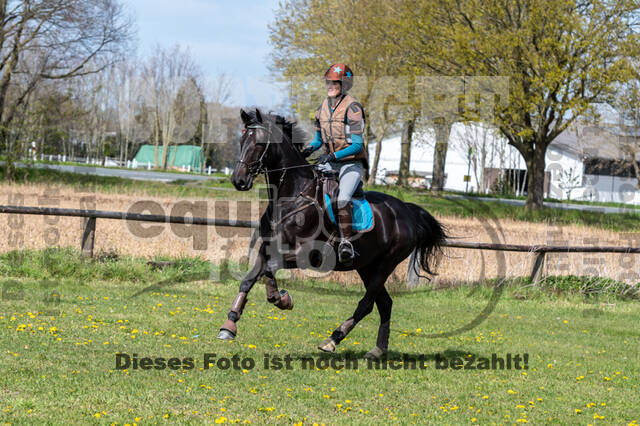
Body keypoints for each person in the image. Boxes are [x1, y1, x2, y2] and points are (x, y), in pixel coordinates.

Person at [301, 63, 369, 264]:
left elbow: (357, 145)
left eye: (334, 82)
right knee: (308, 191)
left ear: (344, 84)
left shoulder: (353, 108)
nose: (330, 85)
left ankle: (346, 242)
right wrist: (306, 150)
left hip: (350, 164)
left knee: (342, 198)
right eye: (328, 82)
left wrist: (333, 157)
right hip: (330, 163)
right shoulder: (321, 108)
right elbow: (318, 140)